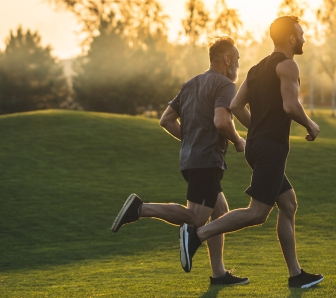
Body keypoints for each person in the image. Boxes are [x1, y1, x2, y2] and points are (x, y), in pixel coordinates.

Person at [179, 16, 323, 289]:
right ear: (291, 38)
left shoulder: (256, 69)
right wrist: (311, 124)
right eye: (301, 34)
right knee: (257, 213)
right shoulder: (288, 65)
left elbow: (234, 106)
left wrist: (255, 129)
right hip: (271, 148)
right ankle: (197, 235)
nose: (304, 38)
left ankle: (296, 275)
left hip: (256, 147)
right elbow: (291, 106)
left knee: (288, 203)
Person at [110, 36, 248, 286]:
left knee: (220, 212)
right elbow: (222, 122)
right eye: (237, 59)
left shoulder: (190, 84)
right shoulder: (225, 85)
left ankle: (218, 273)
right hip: (207, 161)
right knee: (196, 218)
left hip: (190, 158)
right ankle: (140, 209)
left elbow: (166, 120)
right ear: (227, 59)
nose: (238, 64)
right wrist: (238, 141)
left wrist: (191, 139)